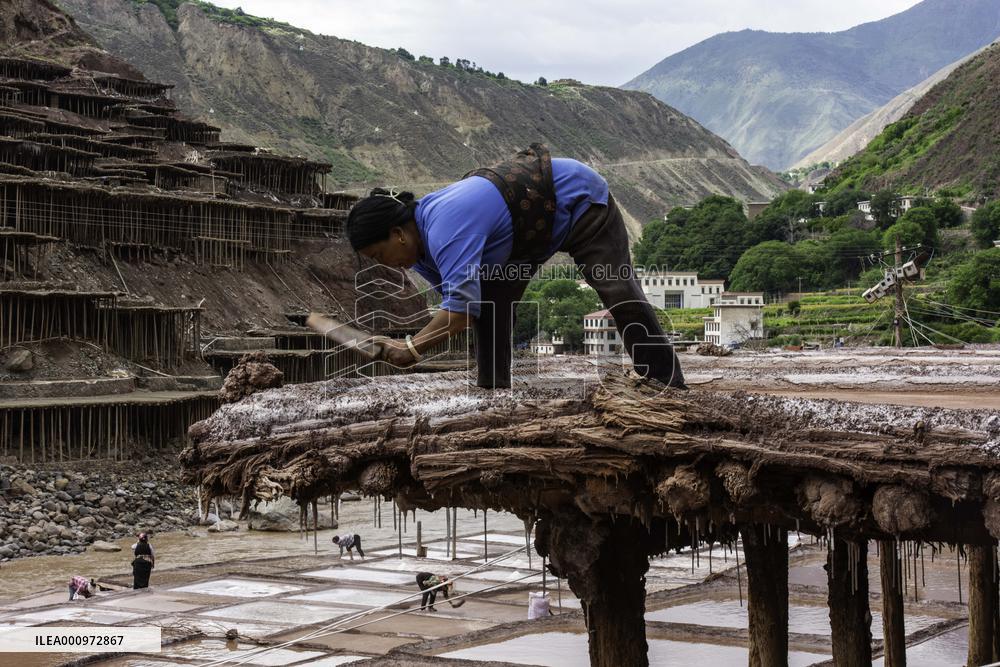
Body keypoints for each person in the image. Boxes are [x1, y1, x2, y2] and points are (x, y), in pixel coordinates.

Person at [345, 144, 685, 390]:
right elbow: (468, 307)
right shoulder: (420, 254)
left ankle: (665, 380)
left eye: (378, 255)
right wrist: (414, 343)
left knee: (616, 287)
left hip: (578, 201)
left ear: (397, 234)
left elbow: (458, 312)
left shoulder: (445, 227)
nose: (383, 265)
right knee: (490, 303)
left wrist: (411, 349)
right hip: (524, 235)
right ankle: (492, 389)